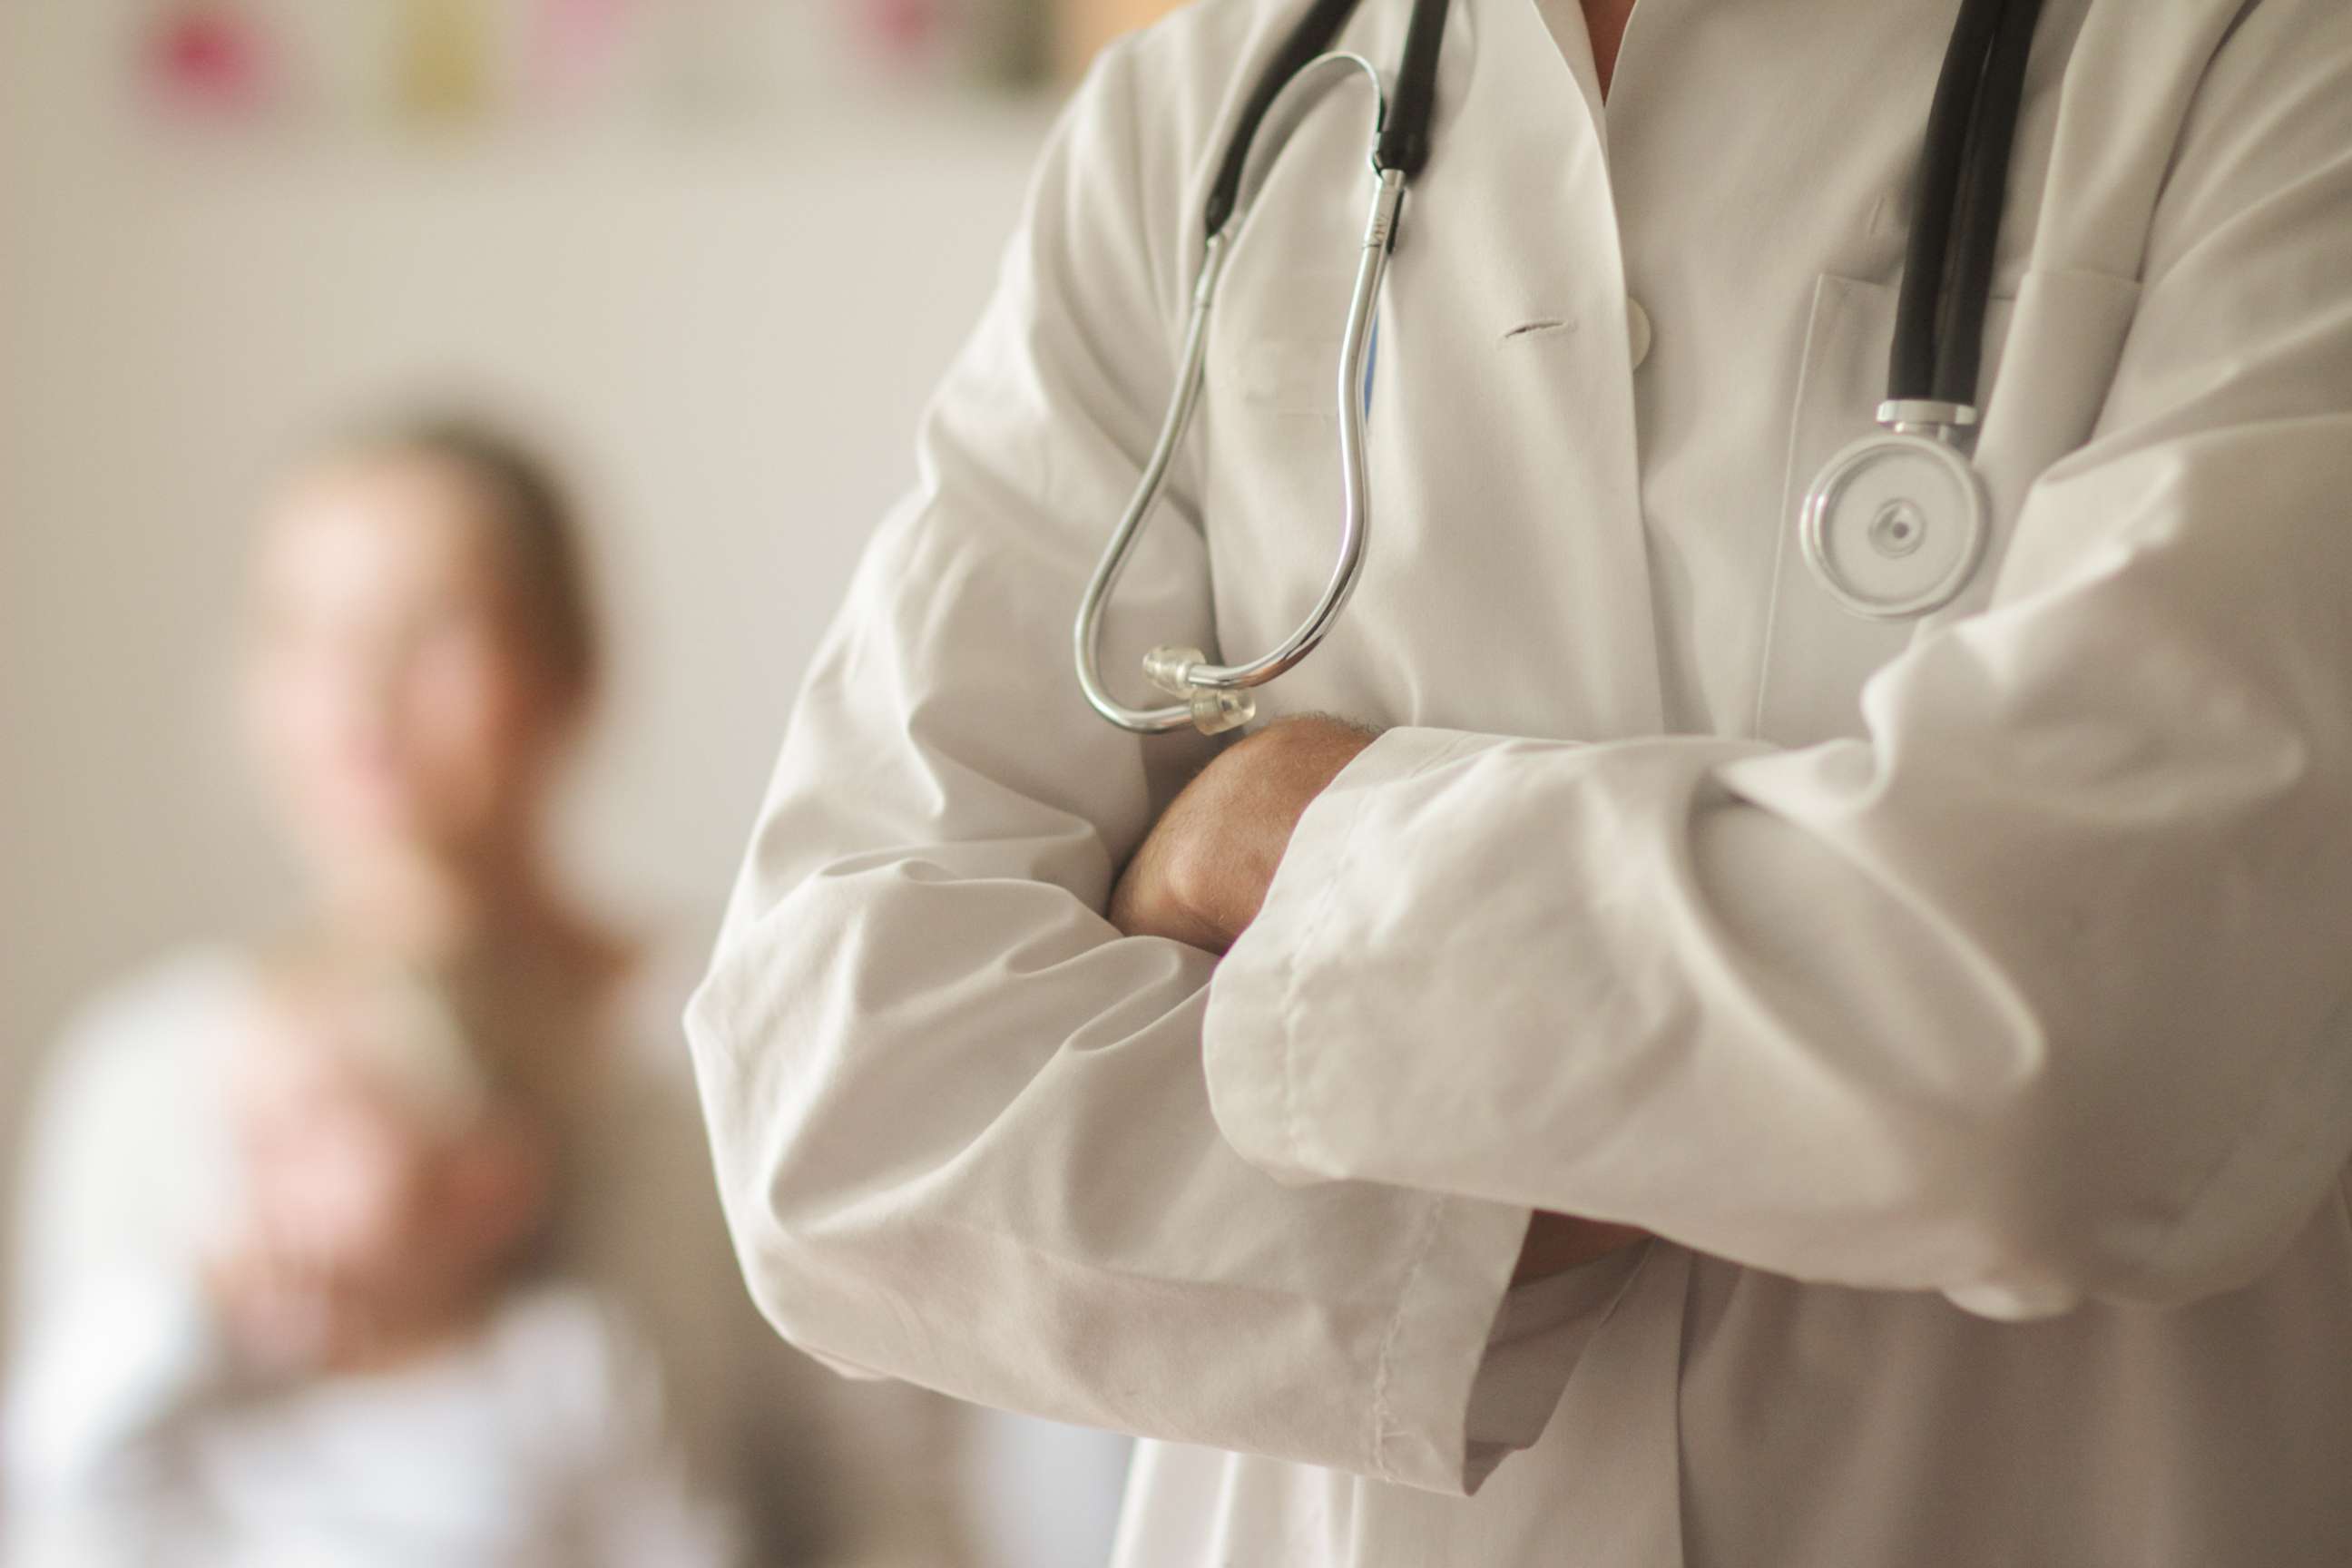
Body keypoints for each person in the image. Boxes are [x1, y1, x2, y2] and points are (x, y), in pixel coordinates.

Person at [683, 0, 2352, 1563]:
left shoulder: (2265, 65)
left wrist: (1295, 846)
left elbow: (2070, 1041)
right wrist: (1765, 1069)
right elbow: (838, 1102)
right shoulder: (1195, 120)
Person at [7, 415, 965, 1567]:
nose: (357, 693)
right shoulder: (142, 1071)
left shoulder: (747, 1036)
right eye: (299, 630)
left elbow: (888, 1509)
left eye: (431, 627)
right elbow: (68, 1511)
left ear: (572, 666)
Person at [8, 941, 741, 1567]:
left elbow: (678, 1547)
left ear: (482, 1184)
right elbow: (56, 1466)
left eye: (308, 1126)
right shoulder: (217, 1369)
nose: (257, 1167)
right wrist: (187, 1305)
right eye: (247, 1135)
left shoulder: (566, 1364)